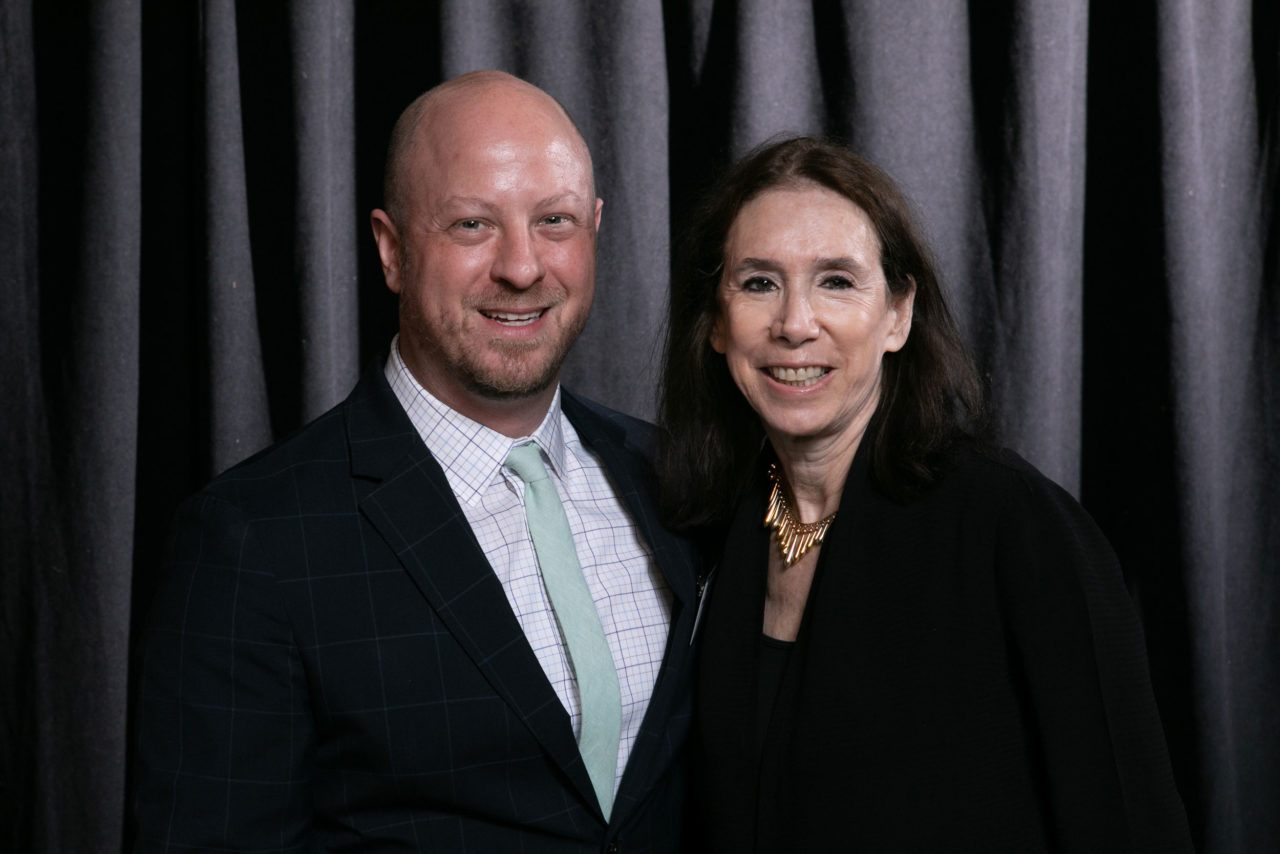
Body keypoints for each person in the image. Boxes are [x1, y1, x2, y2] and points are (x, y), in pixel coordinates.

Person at [133, 71, 699, 852]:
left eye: (555, 221)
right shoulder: (251, 542)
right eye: (472, 225)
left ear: (596, 228)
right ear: (392, 250)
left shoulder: (675, 479)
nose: (523, 267)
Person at [658, 137, 1192, 851]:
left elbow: (1128, 823)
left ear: (898, 315)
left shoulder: (1015, 528)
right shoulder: (712, 533)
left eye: (837, 282)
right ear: (717, 324)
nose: (794, 323)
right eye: (758, 283)